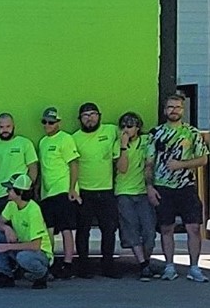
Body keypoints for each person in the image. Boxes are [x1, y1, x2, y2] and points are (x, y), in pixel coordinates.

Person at [145, 94, 209, 282]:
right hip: (163, 188)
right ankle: (169, 266)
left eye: (178, 107)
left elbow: (204, 159)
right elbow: (148, 164)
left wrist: (182, 165)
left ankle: (195, 268)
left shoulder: (192, 133)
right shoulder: (155, 134)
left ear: (183, 110)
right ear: (165, 110)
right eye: (170, 107)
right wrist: (149, 187)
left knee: (194, 228)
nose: (174, 110)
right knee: (166, 228)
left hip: (186, 187)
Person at [73, 102, 121, 279]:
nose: (90, 118)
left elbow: (130, 133)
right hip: (84, 192)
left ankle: (108, 266)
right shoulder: (74, 138)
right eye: (85, 115)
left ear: (99, 116)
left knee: (108, 230)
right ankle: (83, 267)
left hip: (107, 190)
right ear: (80, 119)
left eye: (93, 114)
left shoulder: (111, 131)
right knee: (83, 230)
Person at [0, 174, 52, 290]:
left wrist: (7, 247)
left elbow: (36, 245)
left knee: (23, 256)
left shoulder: (33, 210)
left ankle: (41, 274)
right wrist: (7, 228)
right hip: (22, 246)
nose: (7, 191)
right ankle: (5, 275)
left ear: (20, 192)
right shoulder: (11, 204)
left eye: (9, 189)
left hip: (40, 253)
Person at [115, 112, 157, 281]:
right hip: (124, 191)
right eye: (123, 126)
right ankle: (142, 264)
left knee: (149, 230)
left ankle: (146, 261)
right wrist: (123, 147)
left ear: (138, 128)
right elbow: (122, 168)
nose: (126, 130)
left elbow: (150, 164)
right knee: (130, 228)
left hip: (143, 191)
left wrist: (149, 186)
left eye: (130, 126)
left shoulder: (146, 141)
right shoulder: (117, 144)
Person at [38, 107, 79, 279]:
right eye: (45, 122)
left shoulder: (66, 139)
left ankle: (68, 264)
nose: (48, 125)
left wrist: (72, 188)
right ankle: (50, 263)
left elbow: (74, 164)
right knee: (48, 230)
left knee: (66, 229)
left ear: (58, 123)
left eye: (51, 122)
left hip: (63, 190)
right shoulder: (42, 142)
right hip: (47, 193)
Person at [0, 113, 38, 232]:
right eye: (1, 127)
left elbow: (33, 168)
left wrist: (26, 190)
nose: (5, 130)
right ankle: (6, 234)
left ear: (13, 126)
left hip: (17, 195)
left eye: (8, 126)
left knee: (22, 228)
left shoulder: (25, 143)